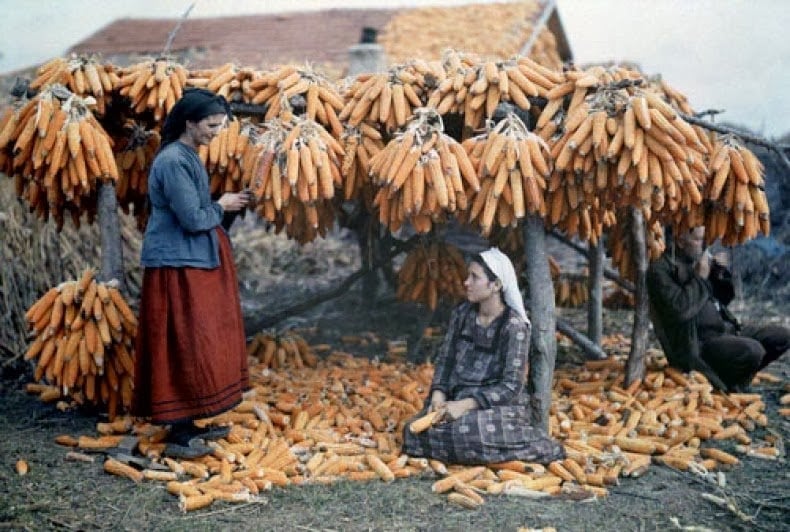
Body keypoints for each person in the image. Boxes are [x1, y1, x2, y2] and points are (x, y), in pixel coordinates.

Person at [132, 88, 252, 458]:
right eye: (212, 125)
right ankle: (177, 434)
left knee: (199, 339)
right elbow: (193, 218)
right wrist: (222, 204)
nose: (217, 132)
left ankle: (192, 419)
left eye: (221, 125)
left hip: (194, 260)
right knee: (183, 340)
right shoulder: (172, 161)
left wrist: (226, 206)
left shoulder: (188, 156)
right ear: (190, 122)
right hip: (178, 265)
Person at [402, 248, 565, 465]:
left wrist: (465, 406)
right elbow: (446, 360)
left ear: (496, 285)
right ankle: (482, 450)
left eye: (475, 277)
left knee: (467, 434)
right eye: (468, 276)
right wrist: (439, 394)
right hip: (456, 399)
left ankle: (541, 447)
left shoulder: (513, 326)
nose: (466, 282)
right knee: (411, 433)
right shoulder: (462, 315)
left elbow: (510, 387)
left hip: (498, 406)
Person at [647, 226, 789, 392]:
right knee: (753, 350)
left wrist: (719, 274)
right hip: (699, 343)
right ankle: (727, 383)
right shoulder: (660, 271)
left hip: (726, 330)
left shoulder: (697, 259)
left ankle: (734, 379)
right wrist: (699, 278)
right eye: (698, 240)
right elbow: (680, 310)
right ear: (680, 241)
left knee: (781, 337)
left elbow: (724, 300)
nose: (703, 245)